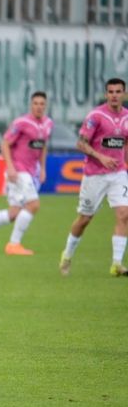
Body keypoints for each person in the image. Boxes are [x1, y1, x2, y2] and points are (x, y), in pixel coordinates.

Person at [59, 77, 128, 276]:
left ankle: (116, 264)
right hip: (95, 175)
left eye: (118, 91)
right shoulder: (96, 116)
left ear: (123, 93)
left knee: (124, 213)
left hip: (118, 173)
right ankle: (67, 254)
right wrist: (101, 157)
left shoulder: (126, 116)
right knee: (85, 219)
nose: (114, 95)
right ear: (106, 94)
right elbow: (81, 144)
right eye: (111, 92)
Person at [0, 92, 52, 255]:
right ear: (31, 105)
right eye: (35, 103)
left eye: (41, 103)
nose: (38, 106)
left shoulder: (48, 124)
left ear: (45, 105)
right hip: (18, 170)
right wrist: (10, 167)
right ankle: (13, 244)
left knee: (14, 212)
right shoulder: (21, 122)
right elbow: (5, 144)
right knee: (33, 205)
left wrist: (43, 168)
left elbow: (43, 146)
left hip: (30, 171)